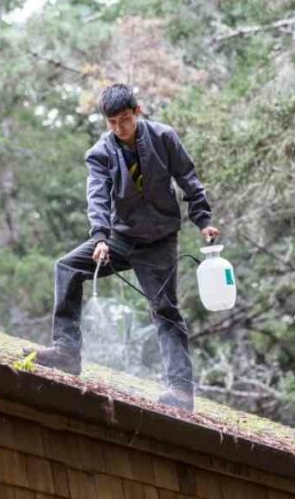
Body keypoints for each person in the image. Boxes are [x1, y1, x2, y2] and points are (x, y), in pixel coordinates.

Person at [28, 84, 219, 410]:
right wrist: (100, 238)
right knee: (68, 267)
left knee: (165, 310)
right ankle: (66, 350)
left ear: (138, 112)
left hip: (159, 241)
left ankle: (181, 392)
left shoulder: (164, 138)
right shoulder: (100, 153)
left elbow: (188, 178)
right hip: (119, 238)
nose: (120, 128)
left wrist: (203, 221)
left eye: (125, 119)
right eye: (112, 122)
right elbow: (98, 196)